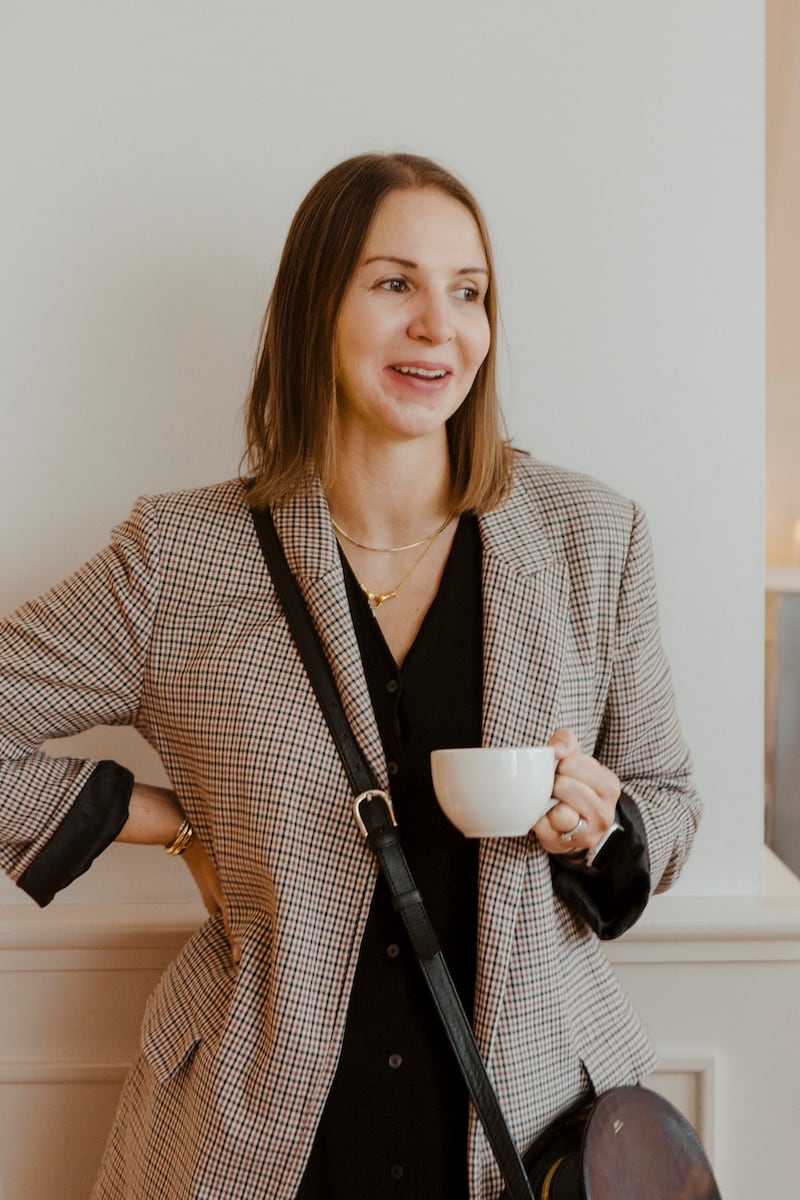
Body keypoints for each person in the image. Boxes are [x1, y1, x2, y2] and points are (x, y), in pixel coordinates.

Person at [0, 152, 700, 1200]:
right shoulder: (180, 556)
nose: (438, 325)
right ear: (312, 310)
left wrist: (602, 826)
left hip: (534, 1119)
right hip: (266, 1128)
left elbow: (671, 800)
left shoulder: (589, 535)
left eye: (468, 292)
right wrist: (163, 820)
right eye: (393, 284)